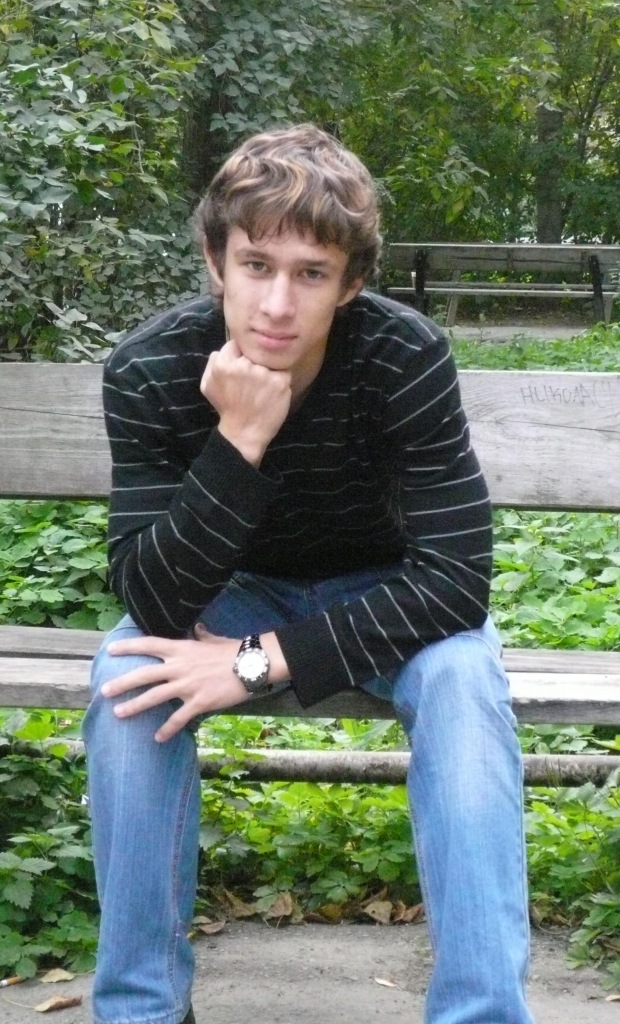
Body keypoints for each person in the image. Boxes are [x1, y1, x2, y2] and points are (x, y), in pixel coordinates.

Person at [83, 123, 535, 1024]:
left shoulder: (402, 356)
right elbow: (153, 598)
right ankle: (140, 1012)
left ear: (351, 282)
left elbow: (455, 581)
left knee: (463, 681)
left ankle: (481, 1015)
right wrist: (239, 438)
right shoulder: (150, 370)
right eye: (256, 265)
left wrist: (258, 661)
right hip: (232, 594)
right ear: (216, 261)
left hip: (392, 594)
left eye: (312, 274)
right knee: (125, 677)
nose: (278, 304)